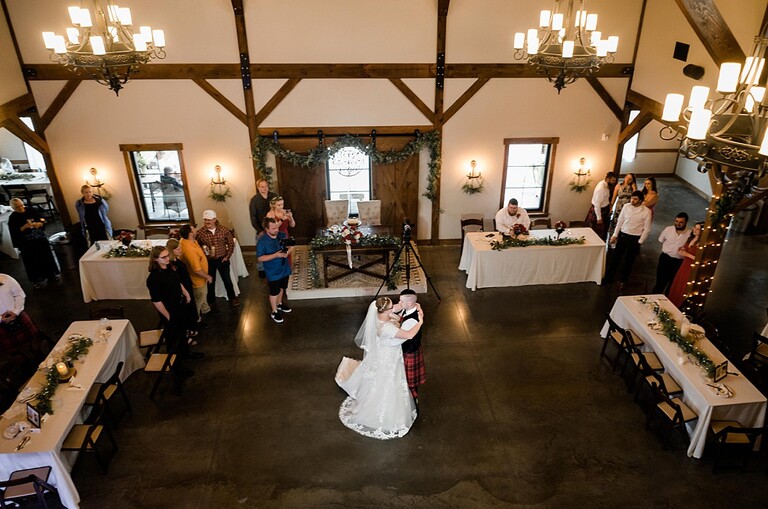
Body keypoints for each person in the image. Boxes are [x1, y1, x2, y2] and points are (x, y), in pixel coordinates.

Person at [335, 297, 424, 440]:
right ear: (386, 310)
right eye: (391, 307)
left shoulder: (378, 315)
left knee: (382, 379)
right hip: (389, 357)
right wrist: (420, 321)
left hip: (383, 353)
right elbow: (409, 334)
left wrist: (411, 305)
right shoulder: (387, 328)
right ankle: (384, 412)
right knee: (387, 382)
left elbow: (397, 307)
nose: (394, 307)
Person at [146, 247, 202, 383]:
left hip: (179, 305)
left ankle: (186, 353)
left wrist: (186, 294)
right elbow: (156, 301)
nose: (167, 259)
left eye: (167, 255)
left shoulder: (170, 267)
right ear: (155, 259)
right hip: (169, 310)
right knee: (173, 339)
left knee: (183, 332)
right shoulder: (153, 278)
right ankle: (177, 367)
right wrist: (168, 316)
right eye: (163, 257)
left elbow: (178, 282)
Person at [8, 198, 60, 289]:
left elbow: (42, 220)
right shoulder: (13, 218)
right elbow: (14, 232)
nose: (21, 208)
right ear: (13, 208)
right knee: (32, 261)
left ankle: (51, 275)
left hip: (39, 238)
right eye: (17, 207)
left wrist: (39, 223)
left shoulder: (30, 210)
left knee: (46, 257)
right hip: (27, 243)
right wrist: (24, 227)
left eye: (21, 205)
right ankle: (36, 280)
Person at [604, 191, 652, 286]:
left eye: (635, 199)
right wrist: (615, 235)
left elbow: (647, 229)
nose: (632, 201)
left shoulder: (646, 211)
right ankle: (608, 278)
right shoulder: (626, 206)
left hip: (635, 238)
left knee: (629, 260)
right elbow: (620, 221)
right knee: (615, 258)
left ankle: (623, 280)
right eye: (632, 198)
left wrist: (640, 241)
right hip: (623, 235)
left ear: (641, 200)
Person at [195, 210, 239, 308]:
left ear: (215, 220)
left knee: (227, 280)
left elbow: (231, 244)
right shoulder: (200, 232)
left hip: (222, 259)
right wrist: (203, 251)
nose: (207, 222)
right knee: (210, 282)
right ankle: (211, 301)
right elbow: (197, 246)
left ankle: (232, 298)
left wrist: (227, 256)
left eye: (209, 220)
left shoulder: (224, 230)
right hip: (209, 261)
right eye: (205, 220)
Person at [256, 217, 294, 323]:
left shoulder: (282, 235)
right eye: (273, 228)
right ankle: (274, 311)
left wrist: (287, 252)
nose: (276, 230)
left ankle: (279, 304)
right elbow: (260, 258)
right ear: (266, 229)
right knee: (274, 292)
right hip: (273, 271)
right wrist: (276, 255)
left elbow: (291, 247)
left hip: (284, 268)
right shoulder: (262, 241)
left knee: (282, 288)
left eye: (277, 227)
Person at [166, 238, 201, 341]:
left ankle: (190, 329)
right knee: (184, 313)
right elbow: (177, 281)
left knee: (189, 310)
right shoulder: (171, 264)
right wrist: (185, 293)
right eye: (178, 249)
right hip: (182, 291)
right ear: (171, 250)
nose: (180, 250)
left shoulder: (176, 260)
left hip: (187, 287)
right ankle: (185, 335)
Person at [0, 273, 39, 357]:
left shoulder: (6, 278)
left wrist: (16, 311)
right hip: (1, 326)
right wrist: (0, 318)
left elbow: (19, 294)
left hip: (19, 317)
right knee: (15, 354)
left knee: (36, 342)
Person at [179, 224, 212, 319]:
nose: (196, 230)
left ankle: (206, 309)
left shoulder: (188, 241)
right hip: (197, 280)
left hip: (200, 279)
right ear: (190, 234)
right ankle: (196, 319)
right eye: (193, 229)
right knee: (199, 299)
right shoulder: (190, 250)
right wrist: (208, 276)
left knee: (203, 296)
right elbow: (196, 270)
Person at [397, 289, 425, 403]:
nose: (399, 303)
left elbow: (400, 338)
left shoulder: (412, 320)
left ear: (409, 303)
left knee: (409, 379)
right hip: (412, 348)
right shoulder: (410, 308)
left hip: (409, 351)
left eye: (401, 301)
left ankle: (412, 399)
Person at [652, 213, 690, 295]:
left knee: (672, 285)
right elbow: (661, 239)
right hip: (665, 259)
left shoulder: (689, 234)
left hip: (679, 262)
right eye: (676, 221)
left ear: (686, 222)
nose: (678, 224)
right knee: (660, 283)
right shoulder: (668, 229)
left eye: (681, 222)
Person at [668, 222, 704, 307]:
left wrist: (686, 254)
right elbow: (686, 249)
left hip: (691, 267)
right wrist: (682, 249)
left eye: (698, 229)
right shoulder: (691, 238)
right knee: (678, 283)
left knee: (684, 286)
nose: (695, 230)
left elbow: (700, 260)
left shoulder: (701, 243)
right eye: (694, 227)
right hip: (684, 265)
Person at [249, 178, 278, 278]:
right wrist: (259, 230)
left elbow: (279, 208)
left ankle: (275, 265)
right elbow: (253, 217)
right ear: (258, 187)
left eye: (266, 186)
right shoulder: (254, 200)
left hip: (274, 227)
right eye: (262, 187)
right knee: (261, 249)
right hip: (261, 229)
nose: (264, 189)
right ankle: (261, 269)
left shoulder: (274, 196)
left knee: (275, 246)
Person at [586, 172, 617, 241]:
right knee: (597, 234)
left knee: (603, 232)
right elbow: (597, 204)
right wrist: (599, 218)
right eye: (613, 180)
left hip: (604, 210)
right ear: (608, 179)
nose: (614, 182)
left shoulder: (605, 185)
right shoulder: (601, 188)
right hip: (598, 212)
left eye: (615, 180)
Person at [266, 196, 295, 265]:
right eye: (278, 205)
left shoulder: (285, 212)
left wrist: (291, 217)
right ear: (274, 205)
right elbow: (274, 227)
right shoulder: (270, 214)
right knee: (278, 253)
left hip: (285, 234)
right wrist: (282, 219)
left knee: (287, 252)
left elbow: (293, 225)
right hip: (275, 235)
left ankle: (287, 267)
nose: (281, 207)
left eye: (282, 204)